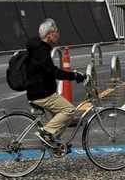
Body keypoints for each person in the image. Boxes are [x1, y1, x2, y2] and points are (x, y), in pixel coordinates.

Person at [26, 18, 85, 150]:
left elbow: (50, 72)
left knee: (63, 120)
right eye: (56, 32)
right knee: (69, 110)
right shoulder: (42, 51)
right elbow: (54, 72)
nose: (58, 34)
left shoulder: (41, 48)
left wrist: (73, 75)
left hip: (39, 91)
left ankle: (55, 144)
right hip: (42, 94)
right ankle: (45, 133)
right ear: (49, 35)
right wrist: (74, 76)